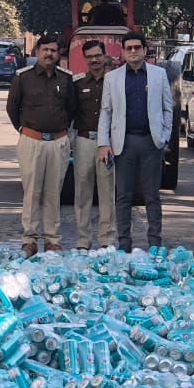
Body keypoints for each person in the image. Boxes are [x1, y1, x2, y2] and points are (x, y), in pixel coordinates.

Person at [98, 32, 174, 252]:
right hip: (124, 142)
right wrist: (104, 142)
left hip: (151, 141)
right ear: (122, 52)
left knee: (152, 195)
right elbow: (106, 111)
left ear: (144, 49)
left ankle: (154, 243)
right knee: (123, 196)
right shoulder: (112, 78)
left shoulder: (159, 75)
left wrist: (165, 135)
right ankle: (124, 244)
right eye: (128, 48)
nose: (133, 51)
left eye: (137, 47)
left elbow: (168, 108)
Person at [6, 34, 77, 257]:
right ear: (37, 52)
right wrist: (25, 131)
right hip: (31, 141)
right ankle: (29, 240)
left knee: (53, 193)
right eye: (45, 50)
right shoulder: (23, 77)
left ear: (58, 54)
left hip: (58, 142)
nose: (49, 54)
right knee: (31, 193)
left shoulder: (66, 79)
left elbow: (72, 109)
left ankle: (53, 240)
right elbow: (12, 108)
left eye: (53, 51)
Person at [72, 40, 118, 249]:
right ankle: (83, 240)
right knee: (82, 192)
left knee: (107, 192)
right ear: (84, 59)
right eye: (89, 56)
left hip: (108, 144)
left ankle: (107, 240)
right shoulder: (77, 83)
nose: (94, 60)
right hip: (84, 141)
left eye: (97, 55)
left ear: (105, 55)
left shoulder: (115, 82)